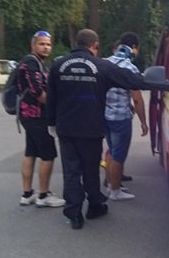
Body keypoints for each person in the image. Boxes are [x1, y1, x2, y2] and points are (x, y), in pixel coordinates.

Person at [46, 29, 148, 230]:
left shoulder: (58, 65)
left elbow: (51, 98)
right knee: (90, 169)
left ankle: (74, 214)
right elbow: (133, 81)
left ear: (77, 43)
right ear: (94, 45)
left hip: (66, 128)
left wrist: (51, 123)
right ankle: (94, 206)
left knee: (71, 171)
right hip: (91, 128)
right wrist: (166, 85)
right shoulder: (101, 66)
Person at [17, 30, 65, 208]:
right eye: (42, 44)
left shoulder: (36, 62)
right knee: (48, 155)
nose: (46, 47)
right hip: (36, 116)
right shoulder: (31, 63)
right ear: (33, 45)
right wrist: (55, 107)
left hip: (28, 116)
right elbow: (37, 91)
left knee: (30, 152)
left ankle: (27, 193)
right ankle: (43, 195)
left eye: (48, 44)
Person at [104, 34, 148, 200]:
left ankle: (110, 185)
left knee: (111, 151)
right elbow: (137, 98)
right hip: (121, 118)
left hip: (105, 116)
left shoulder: (105, 63)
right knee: (118, 156)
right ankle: (115, 191)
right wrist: (143, 122)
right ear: (134, 48)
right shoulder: (130, 68)